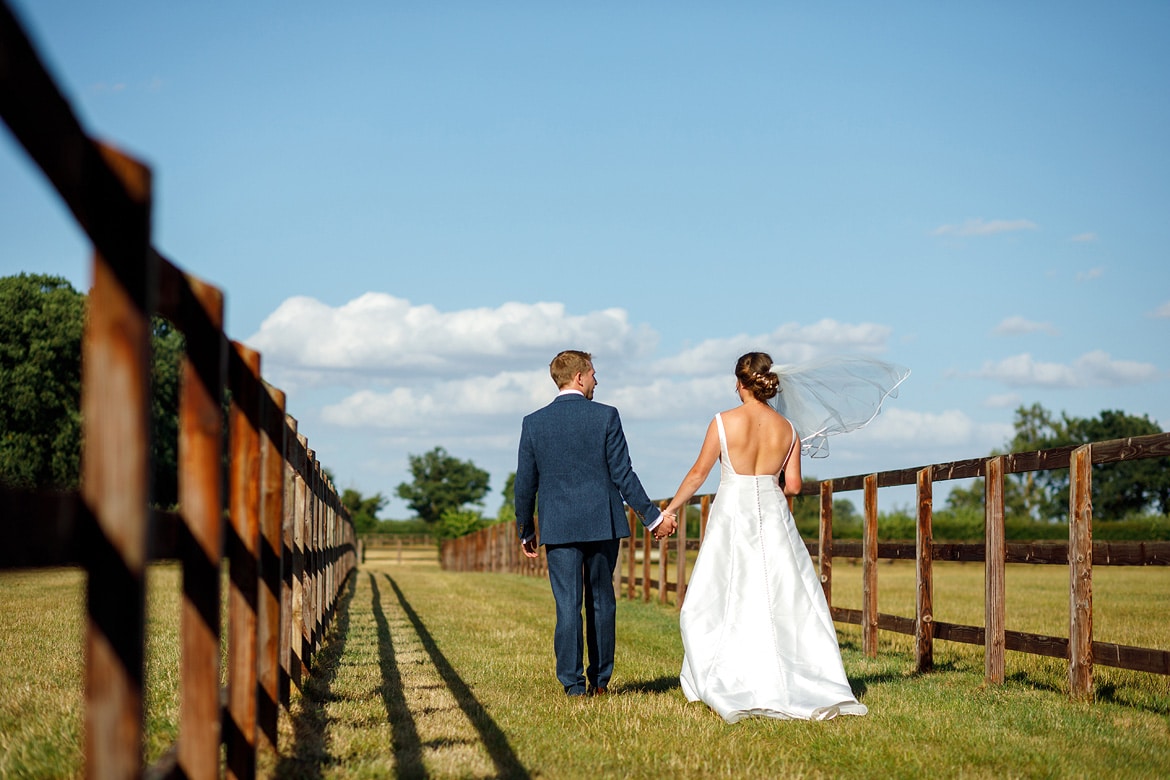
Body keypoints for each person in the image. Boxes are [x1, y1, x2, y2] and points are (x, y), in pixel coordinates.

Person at [661, 351, 869, 722]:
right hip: (772, 513)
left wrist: (671, 509)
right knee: (781, 594)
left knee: (723, 593)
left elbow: (697, 474)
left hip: (731, 514)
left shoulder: (723, 422)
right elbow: (792, 486)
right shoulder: (789, 429)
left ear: (740, 383)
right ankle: (797, 675)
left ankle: (727, 674)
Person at [515, 350, 678, 697]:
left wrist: (525, 530)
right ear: (578, 377)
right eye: (592, 375)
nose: (596, 381)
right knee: (602, 601)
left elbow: (525, 482)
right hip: (602, 522)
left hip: (558, 525)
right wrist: (652, 517)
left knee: (567, 604)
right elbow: (623, 474)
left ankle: (573, 686)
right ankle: (600, 682)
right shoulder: (606, 415)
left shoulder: (534, 422)